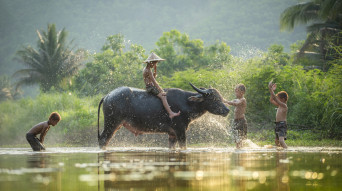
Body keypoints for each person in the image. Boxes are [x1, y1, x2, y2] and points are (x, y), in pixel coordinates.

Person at [143, 52, 180, 119]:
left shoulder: (146, 69)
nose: (155, 64)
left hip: (150, 86)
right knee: (163, 97)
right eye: (155, 63)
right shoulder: (148, 70)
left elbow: (153, 77)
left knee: (163, 94)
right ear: (151, 62)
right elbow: (154, 82)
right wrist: (161, 90)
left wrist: (155, 69)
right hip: (150, 88)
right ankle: (171, 113)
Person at [224, 84, 247, 149]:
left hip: (241, 121)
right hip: (236, 121)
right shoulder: (235, 100)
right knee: (236, 137)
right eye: (235, 91)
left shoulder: (243, 99)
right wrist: (222, 101)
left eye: (237, 91)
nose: (235, 93)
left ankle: (241, 150)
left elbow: (236, 104)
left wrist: (228, 102)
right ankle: (238, 149)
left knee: (241, 138)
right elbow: (228, 102)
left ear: (242, 92)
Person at [268, 81, 288, 149]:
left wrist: (270, 89)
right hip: (277, 124)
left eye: (278, 99)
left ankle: (286, 150)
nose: (277, 100)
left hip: (282, 124)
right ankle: (279, 153)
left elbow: (275, 98)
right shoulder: (279, 105)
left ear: (282, 99)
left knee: (281, 141)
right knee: (277, 142)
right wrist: (272, 91)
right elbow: (271, 100)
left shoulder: (284, 105)